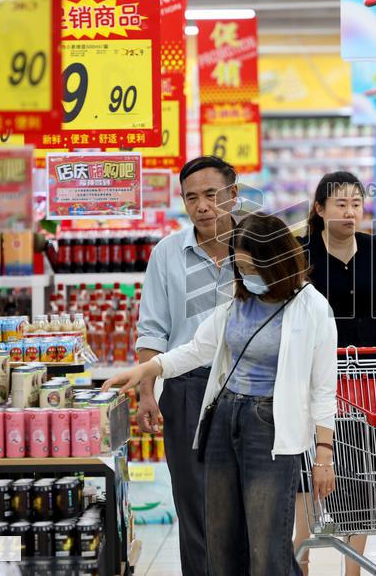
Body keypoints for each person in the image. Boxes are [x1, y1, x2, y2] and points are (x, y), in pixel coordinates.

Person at [106, 214, 338, 576]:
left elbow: (324, 388)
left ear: (276, 260)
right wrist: (146, 370)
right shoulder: (238, 299)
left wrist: (324, 455)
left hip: (271, 429)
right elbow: (198, 349)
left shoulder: (312, 308)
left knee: (267, 544)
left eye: (250, 266)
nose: (244, 274)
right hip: (224, 418)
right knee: (220, 539)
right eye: (240, 266)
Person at [294, 171, 376, 576]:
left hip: (369, 368)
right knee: (309, 467)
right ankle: (301, 554)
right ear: (320, 209)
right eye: (340, 204)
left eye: (355, 204)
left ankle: (353, 568)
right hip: (313, 370)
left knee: (362, 465)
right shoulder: (301, 251)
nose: (349, 212)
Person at [133, 156, 239, 576]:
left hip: (250, 389)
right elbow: (152, 329)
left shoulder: (259, 249)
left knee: (249, 498)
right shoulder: (167, 253)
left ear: (233, 194)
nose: (203, 206)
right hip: (185, 388)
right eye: (192, 197)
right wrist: (146, 392)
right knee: (194, 502)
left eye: (212, 195)